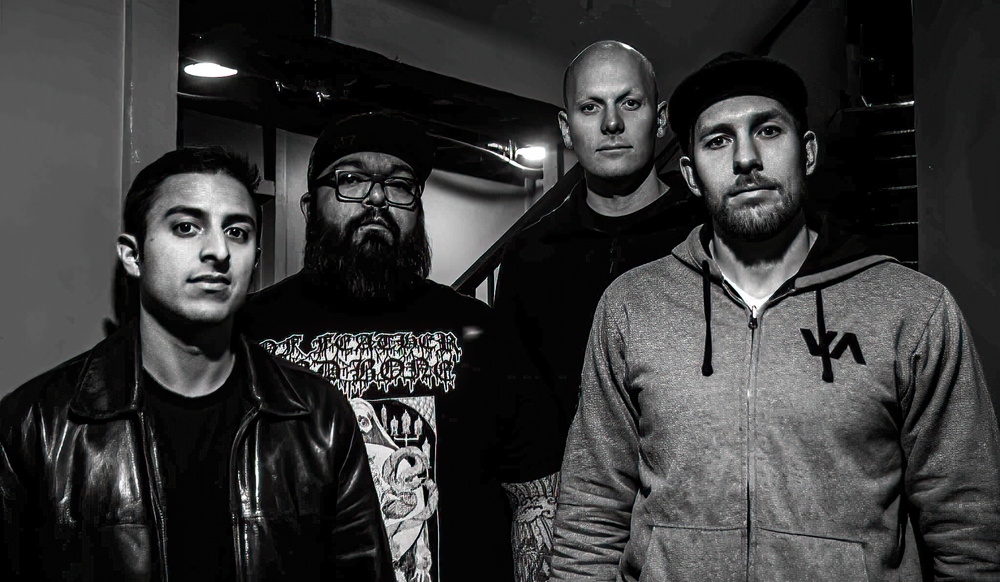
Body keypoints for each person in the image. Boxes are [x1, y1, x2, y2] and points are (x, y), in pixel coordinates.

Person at [550, 52, 1000, 581]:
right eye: (718, 140)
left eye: (767, 131)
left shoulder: (911, 310)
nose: (746, 158)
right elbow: (591, 514)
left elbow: (969, 530)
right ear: (691, 175)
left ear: (807, 152)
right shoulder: (632, 307)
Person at [0, 147, 392, 581]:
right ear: (133, 255)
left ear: (255, 261)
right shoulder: (36, 426)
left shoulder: (320, 418)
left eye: (237, 232)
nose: (218, 251)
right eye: (186, 227)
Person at [239, 112, 564, 582]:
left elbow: (535, 502)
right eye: (350, 179)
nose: (377, 198)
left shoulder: (483, 332)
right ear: (310, 207)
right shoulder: (250, 332)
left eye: (399, 184)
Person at [493, 40, 704, 436]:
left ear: (660, 119)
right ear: (566, 128)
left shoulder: (706, 231)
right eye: (590, 107)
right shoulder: (530, 253)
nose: (611, 123)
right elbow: (517, 411)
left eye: (630, 103)